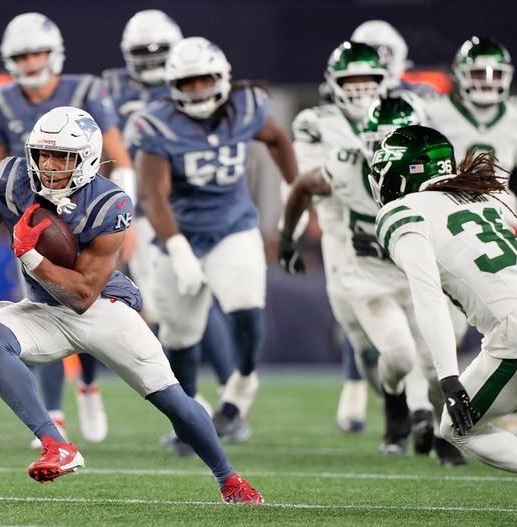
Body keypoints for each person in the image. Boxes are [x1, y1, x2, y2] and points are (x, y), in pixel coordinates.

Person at [0, 106, 263, 504]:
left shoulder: (111, 203)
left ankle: (230, 480)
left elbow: (84, 294)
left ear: (86, 160)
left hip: (103, 308)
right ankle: (56, 443)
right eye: (43, 154)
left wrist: (32, 258)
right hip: (46, 308)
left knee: (172, 401)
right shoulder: (11, 179)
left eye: (62, 156)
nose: (49, 165)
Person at [370, 124, 517, 521]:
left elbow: (426, 296)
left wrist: (448, 377)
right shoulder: (480, 197)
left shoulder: (401, 211)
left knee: (456, 429)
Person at [0, 12, 137, 445]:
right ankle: (56, 414)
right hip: (29, 219)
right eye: (22, 54)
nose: (30, 62)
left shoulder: (86, 89)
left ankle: (86, 384)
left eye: (37, 52)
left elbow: (117, 156)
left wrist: (124, 220)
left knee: (83, 306)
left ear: (54, 53)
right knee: (39, 309)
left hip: (84, 216)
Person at [131, 36, 298, 446]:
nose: (198, 90)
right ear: (173, 86)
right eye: (187, 83)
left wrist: (296, 189)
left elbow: (277, 139)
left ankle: (241, 384)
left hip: (232, 227)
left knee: (246, 310)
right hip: (178, 232)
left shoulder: (248, 106)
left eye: (204, 79)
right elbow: (152, 195)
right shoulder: (155, 122)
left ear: (222, 77)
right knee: (179, 336)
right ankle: (188, 423)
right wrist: (177, 248)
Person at [281, 94, 465, 465]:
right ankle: (395, 404)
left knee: (434, 368)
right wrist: (287, 239)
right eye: (382, 142)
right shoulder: (346, 166)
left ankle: (444, 434)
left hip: (422, 279)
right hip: (369, 280)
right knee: (398, 356)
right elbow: (301, 186)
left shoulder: (436, 173)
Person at [107, 11, 243, 449]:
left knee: (189, 303)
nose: (150, 62)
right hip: (134, 207)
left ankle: (223, 401)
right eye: (141, 54)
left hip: (177, 207)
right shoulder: (111, 89)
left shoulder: (194, 88)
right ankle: (211, 404)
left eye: (158, 52)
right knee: (174, 310)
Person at [426, 35, 517, 445]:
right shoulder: (437, 110)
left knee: (513, 315)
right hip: (452, 222)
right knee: (460, 320)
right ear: (460, 76)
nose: (486, 81)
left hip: (499, 220)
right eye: (477, 73)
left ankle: (503, 409)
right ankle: (442, 401)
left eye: (493, 73)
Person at [285, 41, 390, 435]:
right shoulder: (315, 121)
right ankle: (358, 381)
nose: (362, 87)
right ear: (334, 82)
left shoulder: (403, 112)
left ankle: (406, 397)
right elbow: (310, 181)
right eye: (353, 79)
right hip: (340, 227)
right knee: (355, 314)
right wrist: (294, 229)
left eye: (369, 79)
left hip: (391, 222)